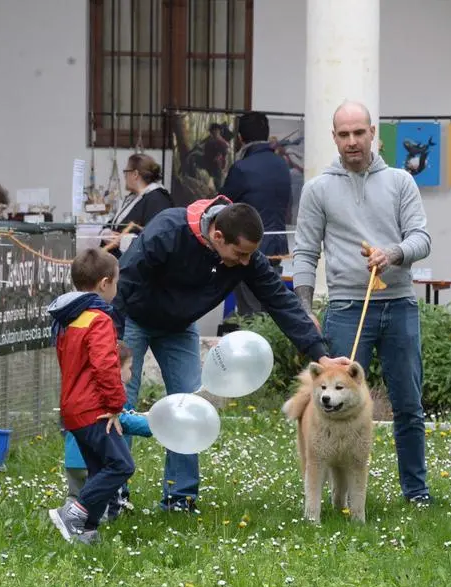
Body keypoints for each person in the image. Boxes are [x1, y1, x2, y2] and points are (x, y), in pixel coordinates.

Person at [113, 196, 350, 513]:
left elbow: (279, 300)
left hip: (179, 327)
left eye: (249, 255)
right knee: (119, 402)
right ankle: (113, 492)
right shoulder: (167, 231)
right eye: (239, 254)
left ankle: (180, 498)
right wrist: (111, 342)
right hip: (133, 319)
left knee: (189, 405)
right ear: (217, 236)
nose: (244, 262)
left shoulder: (245, 258)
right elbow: (124, 282)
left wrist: (320, 355)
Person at [292, 100, 434, 506]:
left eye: (359, 132)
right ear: (334, 138)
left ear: (374, 134)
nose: (352, 141)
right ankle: (331, 496)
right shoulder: (318, 188)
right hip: (346, 309)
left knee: (408, 404)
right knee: (330, 404)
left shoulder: (401, 181)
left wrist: (391, 254)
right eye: (344, 134)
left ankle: (416, 491)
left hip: (400, 304)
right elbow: (304, 252)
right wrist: (305, 308)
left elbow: (421, 239)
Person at [47, 248, 134, 544]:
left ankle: (86, 532)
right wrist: (115, 405)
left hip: (72, 409)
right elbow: (105, 365)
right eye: (117, 283)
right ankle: (74, 512)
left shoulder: (69, 318)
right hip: (94, 409)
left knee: (99, 469)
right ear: (104, 283)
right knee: (122, 465)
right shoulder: (98, 319)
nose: (116, 289)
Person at [62, 341, 152, 520]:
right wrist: (152, 425)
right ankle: (92, 527)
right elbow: (122, 420)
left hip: (73, 460)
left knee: (74, 497)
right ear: (116, 368)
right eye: (130, 367)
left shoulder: (83, 388)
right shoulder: (114, 390)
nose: (131, 373)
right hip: (97, 459)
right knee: (99, 498)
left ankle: (67, 521)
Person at [220, 111, 292, 316]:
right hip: (277, 248)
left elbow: (222, 205)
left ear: (241, 138)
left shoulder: (242, 168)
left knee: (251, 316)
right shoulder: (282, 165)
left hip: (247, 251)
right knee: (273, 313)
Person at [100, 153, 173, 259]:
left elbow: (157, 238)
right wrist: (106, 233)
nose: (124, 176)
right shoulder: (133, 197)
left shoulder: (157, 199)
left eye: (126, 172)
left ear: (135, 174)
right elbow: (113, 224)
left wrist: (123, 240)